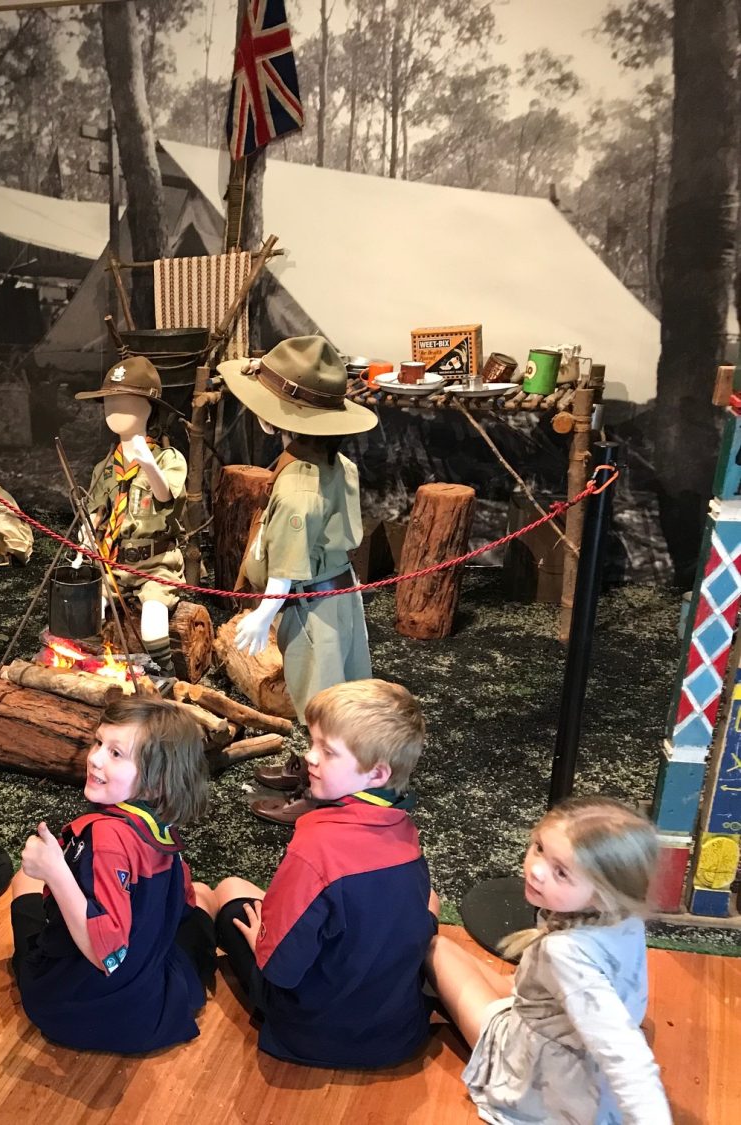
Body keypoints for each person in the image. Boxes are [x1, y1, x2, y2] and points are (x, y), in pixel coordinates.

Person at [207, 679, 438, 1069]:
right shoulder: (405, 830)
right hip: (396, 1034)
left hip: (312, 1033)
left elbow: (280, 969)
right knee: (430, 900)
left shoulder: (315, 849)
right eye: (313, 743)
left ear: (377, 773)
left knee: (229, 890)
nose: (310, 757)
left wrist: (262, 936)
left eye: (327, 751)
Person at [427, 797, 672, 1124]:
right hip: (581, 1062)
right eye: (539, 847)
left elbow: (626, 1056)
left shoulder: (564, 952)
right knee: (502, 979)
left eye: (561, 872)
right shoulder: (626, 917)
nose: (536, 869)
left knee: (436, 947)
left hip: (537, 1079)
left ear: (601, 895)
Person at [217, 337, 380, 826]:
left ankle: (322, 792)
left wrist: (264, 612)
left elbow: (288, 562)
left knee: (321, 700)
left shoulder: (297, 486)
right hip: (338, 592)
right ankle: (315, 767)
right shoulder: (333, 462)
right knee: (338, 686)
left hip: (311, 605)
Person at [10, 695, 216, 1054]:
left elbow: (108, 954)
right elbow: (183, 904)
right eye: (99, 742)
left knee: (23, 882)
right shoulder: (160, 825)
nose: (95, 758)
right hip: (145, 1010)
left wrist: (55, 872)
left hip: (77, 1010)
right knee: (205, 899)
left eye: (116, 753)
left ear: (156, 782)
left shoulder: (105, 838)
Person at [74, 357, 187, 673]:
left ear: (149, 409)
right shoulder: (105, 467)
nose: (115, 411)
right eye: (110, 403)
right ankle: (96, 670)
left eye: (126, 404)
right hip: (113, 561)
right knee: (87, 613)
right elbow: (98, 512)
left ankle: (164, 674)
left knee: (153, 625)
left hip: (155, 563)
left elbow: (165, 496)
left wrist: (147, 462)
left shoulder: (168, 459)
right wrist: (85, 541)